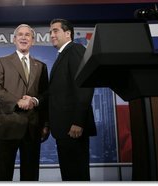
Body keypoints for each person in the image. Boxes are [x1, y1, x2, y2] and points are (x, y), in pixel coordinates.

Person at [0, 24, 49, 181]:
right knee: (4, 174)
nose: (23, 37)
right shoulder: (1, 62)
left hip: (33, 128)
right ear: (14, 40)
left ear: (32, 41)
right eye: (20, 34)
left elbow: (46, 95)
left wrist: (45, 123)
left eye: (27, 35)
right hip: (8, 126)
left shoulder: (41, 66)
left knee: (31, 175)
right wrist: (17, 101)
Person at [48, 18, 97, 181]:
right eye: (50, 32)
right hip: (64, 129)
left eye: (55, 31)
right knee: (69, 175)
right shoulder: (62, 55)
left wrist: (78, 122)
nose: (52, 35)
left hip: (73, 128)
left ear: (68, 33)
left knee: (77, 175)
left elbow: (84, 86)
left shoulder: (75, 50)